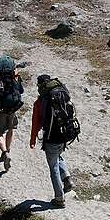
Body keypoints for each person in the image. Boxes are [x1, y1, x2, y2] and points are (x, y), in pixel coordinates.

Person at [29, 74, 79, 208]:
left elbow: (36, 123)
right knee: (58, 156)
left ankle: (59, 198)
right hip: (65, 134)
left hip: (51, 137)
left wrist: (33, 139)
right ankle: (67, 178)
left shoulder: (40, 102)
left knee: (53, 167)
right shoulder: (61, 94)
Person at [0, 55, 24, 171]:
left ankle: (5, 152)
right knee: (10, 129)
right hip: (12, 108)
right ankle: (8, 149)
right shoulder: (14, 77)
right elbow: (21, 90)